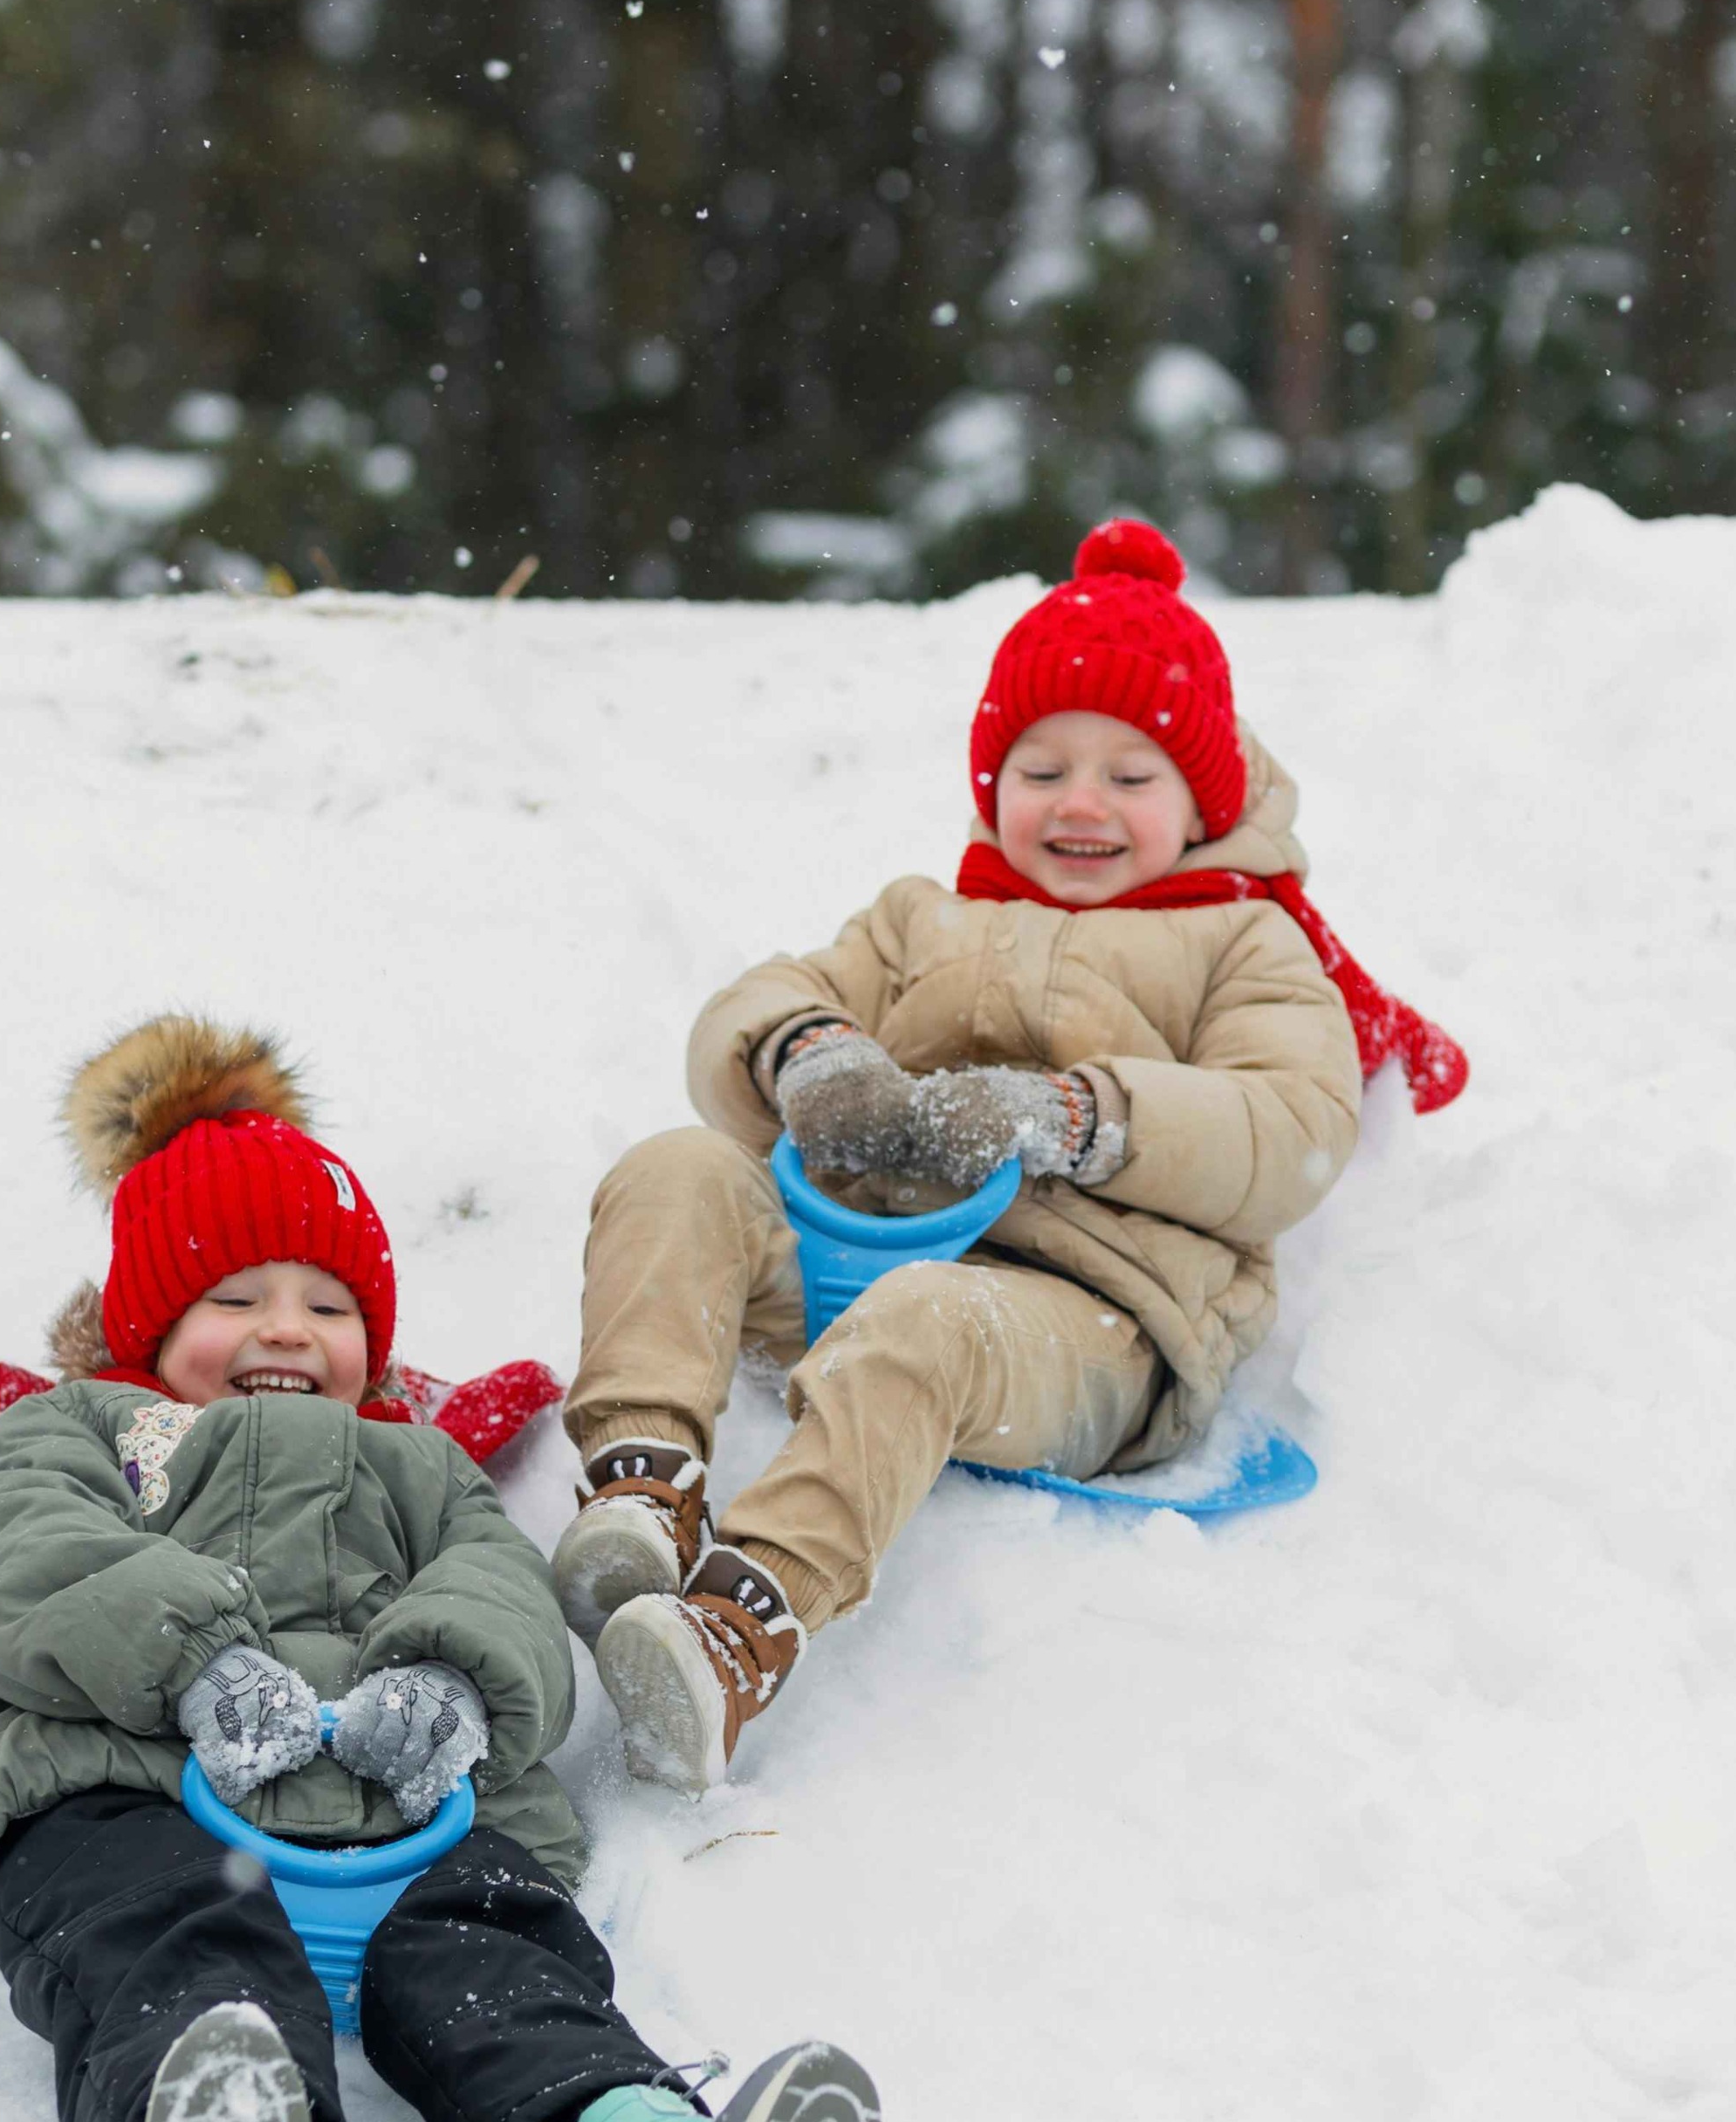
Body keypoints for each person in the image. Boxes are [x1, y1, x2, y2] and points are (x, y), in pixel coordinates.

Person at [0, 1014, 880, 2122]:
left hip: (405, 1812)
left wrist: (449, 1675)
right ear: (147, 1320)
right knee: (158, 1948)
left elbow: (502, 1587)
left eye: (329, 1306)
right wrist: (191, 1657)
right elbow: (15, 1556)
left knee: (505, 1977)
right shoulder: (82, 1431)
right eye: (235, 1299)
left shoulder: (416, 1468)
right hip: (133, 1789)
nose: (287, 1333)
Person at [552, 518, 1465, 1792]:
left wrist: (1077, 1118)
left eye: (1131, 775)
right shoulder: (924, 915)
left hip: (1089, 1327)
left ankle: (733, 1636)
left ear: (1202, 797)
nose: (1081, 804)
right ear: (993, 783)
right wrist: (811, 1052)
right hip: (846, 1259)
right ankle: (643, 1491)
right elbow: (746, 1009)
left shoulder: (1245, 945)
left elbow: (1292, 1135)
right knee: (673, 1171)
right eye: (1043, 767)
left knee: (930, 1321)